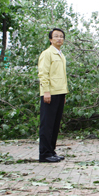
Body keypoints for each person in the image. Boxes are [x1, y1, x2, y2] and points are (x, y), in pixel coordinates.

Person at [38, 28, 68, 163]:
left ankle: (51, 151)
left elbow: (61, 76)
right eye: (56, 36)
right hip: (49, 93)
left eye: (61, 36)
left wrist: (64, 93)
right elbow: (43, 73)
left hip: (59, 93)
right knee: (47, 125)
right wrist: (46, 91)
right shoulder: (47, 54)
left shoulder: (61, 55)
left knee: (55, 125)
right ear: (50, 39)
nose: (59, 39)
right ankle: (44, 154)